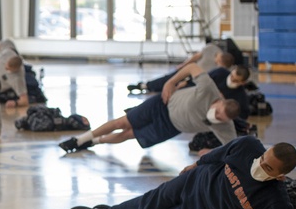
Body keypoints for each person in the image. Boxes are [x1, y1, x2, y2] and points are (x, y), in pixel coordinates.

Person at [66, 137, 296, 209]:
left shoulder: (275, 200)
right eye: (263, 159)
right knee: (153, 201)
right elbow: (218, 153)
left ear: (280, 177)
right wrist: (196, 165)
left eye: (268, 168)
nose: (260, 165)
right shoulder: (248, 146)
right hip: (195, 181)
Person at [59, 61, 239, 153]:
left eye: (221, 118)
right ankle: (80, 140)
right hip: (163, 104)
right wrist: (170, 82)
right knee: (122, 123)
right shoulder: (209, 89)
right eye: (218, 112)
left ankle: (94, 142)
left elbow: (232, 149)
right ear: (219, 101)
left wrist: (212, 152)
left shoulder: (224, 126)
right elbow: (192, 67)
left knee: (128, 135)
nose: (217, 117)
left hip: (170, 127)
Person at [128, 45, 234, 94]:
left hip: (193, 80)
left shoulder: (218, 69)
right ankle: (145, 85)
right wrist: (183, 65)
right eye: (218, 62)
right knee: (168, 79)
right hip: (187, 70)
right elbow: (196, 57)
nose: (217, 64)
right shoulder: (211, 48)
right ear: (220, 57)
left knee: (173, 88)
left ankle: (151, 88)